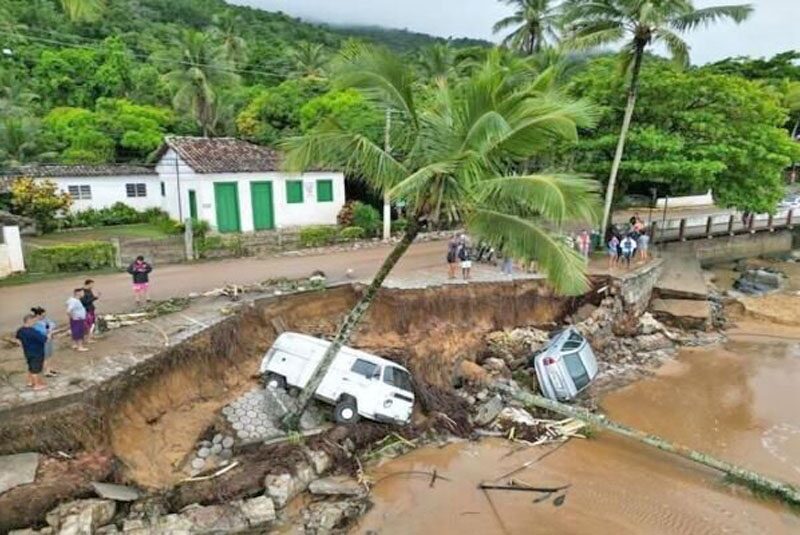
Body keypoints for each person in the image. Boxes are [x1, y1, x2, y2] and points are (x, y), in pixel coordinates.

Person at [16, 314, 48, 390]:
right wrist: (48, 335)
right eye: (34, 321)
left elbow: (18, 339)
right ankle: (36, 385)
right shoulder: (33, 332)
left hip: (27, 352)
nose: (35, 323)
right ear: (29, 321)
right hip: (37, 352)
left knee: (31, 367)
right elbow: (44, 339)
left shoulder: (20, 330)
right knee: (36, 369)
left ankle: (30, 382)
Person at [32, 307, 57, 377]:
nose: (44, 317)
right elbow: (43, 331)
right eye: (43, 315)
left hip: (49, 339)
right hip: (43, 341)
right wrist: (49, 329)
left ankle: (49, 368)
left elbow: (53, 324)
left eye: (44, 315)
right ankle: (46, 371)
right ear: (38, 315)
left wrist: (49, 329)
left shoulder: (45, 320)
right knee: (45, 357)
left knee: (50, 355)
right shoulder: (35, 323)